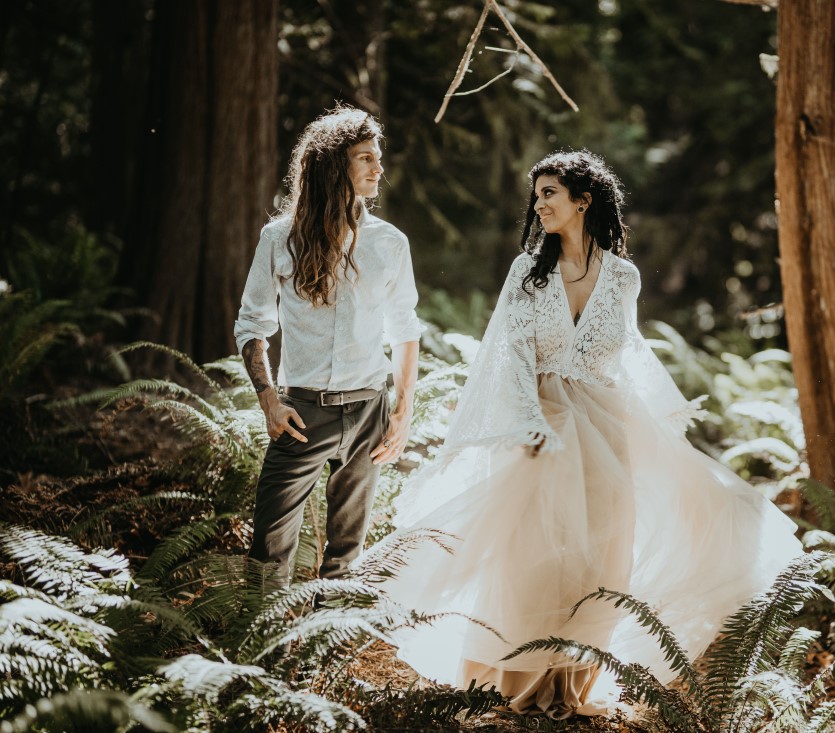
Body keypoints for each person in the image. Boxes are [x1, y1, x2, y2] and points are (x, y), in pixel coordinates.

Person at [381, 150, 803, 719]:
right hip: (540, 423)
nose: (539, 204)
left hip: (607, 426)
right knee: (532, 554)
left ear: (584, 200)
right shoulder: (525, 273)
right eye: (537, 195)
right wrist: (528, 419)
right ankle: (510, 679)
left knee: (600, 557)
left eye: (549, 193)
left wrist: (660, 422)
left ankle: (570, 683)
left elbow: (627, 355)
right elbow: (506, 357)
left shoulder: (623, 277)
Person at [234, 106, 421, 587]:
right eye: (366, 158)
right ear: (334, 166)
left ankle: (323, 656)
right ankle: (266, 658)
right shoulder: (280, 238)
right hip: (300, 416)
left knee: (346, 553)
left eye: (378, 157)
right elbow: (252, 324)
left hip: (367, 414)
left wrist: (402, 413)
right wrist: (268, 402)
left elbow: (405, 330)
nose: (379, 168)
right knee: (269, 551)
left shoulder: (390, 243)